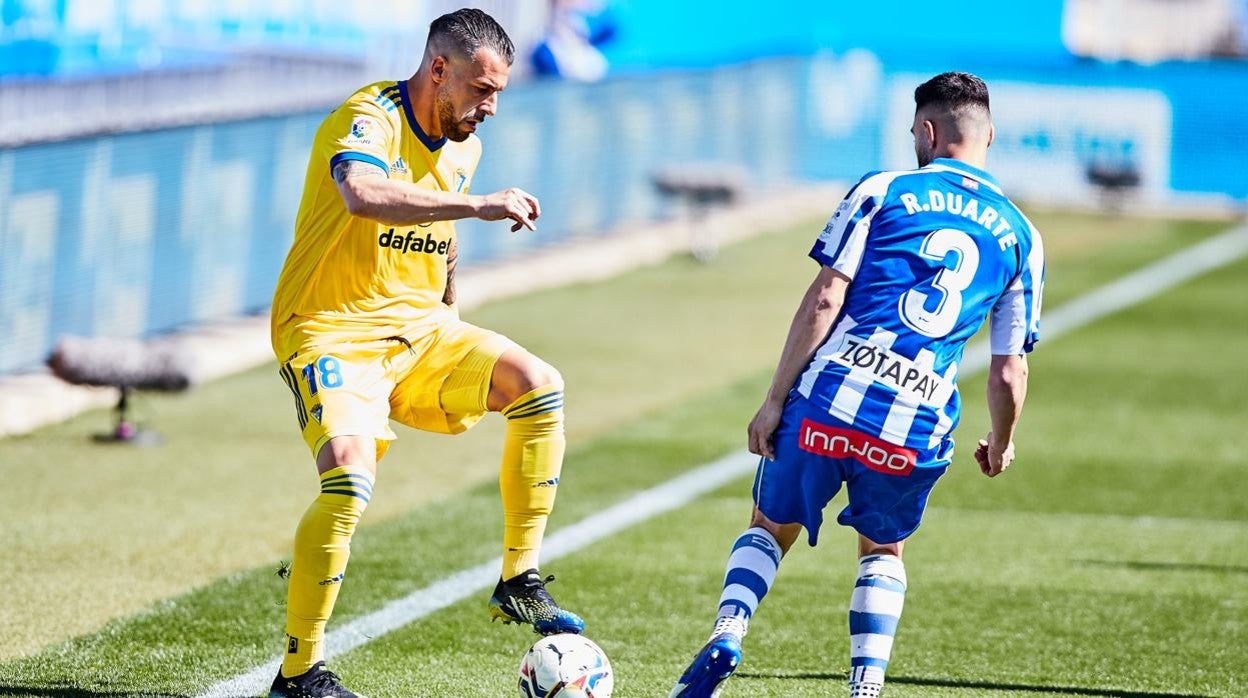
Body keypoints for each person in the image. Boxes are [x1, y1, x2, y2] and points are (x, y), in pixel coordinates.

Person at [670, 72, 1045, 698]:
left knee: (768, 527)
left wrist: (772, 401)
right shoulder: (1022, 238)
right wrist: (1001, 442)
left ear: (926, 132)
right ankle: (865, 687)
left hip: (830, 396)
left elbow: (825, 299)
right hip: (915, 422)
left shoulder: (883, 189)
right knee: (883, 552)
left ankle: (730, 630)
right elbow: (1010, 369)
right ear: (990, 137)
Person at [267, 9, 583, 697]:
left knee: (539, 383)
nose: (490, 106)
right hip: (329, 331)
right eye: (481, 89)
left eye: (498, 93)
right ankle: (297, 675)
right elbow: (362, 193)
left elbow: (441, 232)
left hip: (423, 331)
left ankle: (518, 578)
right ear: (438, 70)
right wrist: (478, 207)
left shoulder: (464, 139)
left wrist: (453, 313)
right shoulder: (368, 116)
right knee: (348, 479)